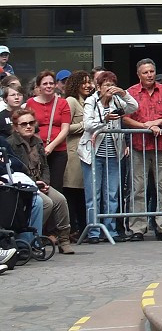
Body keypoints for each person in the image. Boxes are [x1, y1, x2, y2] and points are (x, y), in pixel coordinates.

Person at [123, 58, 162, 240]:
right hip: (139, 146)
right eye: (145, 72)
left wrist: (157, 122)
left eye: (151, 71)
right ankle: (137, 228)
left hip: (161, 146)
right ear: (139, 75)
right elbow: (125, 118)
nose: (149, 75)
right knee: (138, 188)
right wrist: (144, 126)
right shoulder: (131, 92)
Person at [78, 71, 138, 243]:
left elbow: (134, 107)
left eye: (112, 84)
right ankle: (94, 232)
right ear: (99, 87)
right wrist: (104, 119)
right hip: (93, 153)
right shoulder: (91, 101)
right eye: (106, 85)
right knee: (93, 195)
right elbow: (88, 125)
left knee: (111, 193)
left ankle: (110, 230)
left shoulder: (117, 100)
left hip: (113, 153)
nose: (110, 88)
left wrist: (124, 93)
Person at [9, 107, 73, 253]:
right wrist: (34, 183)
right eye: (23, 124)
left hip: (40, 182)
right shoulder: (11, 144)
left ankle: (64, 240)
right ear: (16, 127)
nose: (28, 126)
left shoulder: (37, 142)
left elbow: (45, 166)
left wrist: (45, 182)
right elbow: (16, 170)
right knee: (46, 203)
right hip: (24, 184)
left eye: (31, 123)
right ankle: (31, 238)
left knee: (60, 200)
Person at [62, 70, 95, 239]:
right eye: (84, 82)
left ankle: (84, 229)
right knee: (73, 192)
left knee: (84, 194)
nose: (88, 85)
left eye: (89, 82)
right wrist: (87, 124)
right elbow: (65, 128)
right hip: (74, 152)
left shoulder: (88, 102)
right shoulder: (71, 101)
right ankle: (73, 230)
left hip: (86, 151)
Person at [25, 70, 71, 191]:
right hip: (36, 150)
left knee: (56, 185)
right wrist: (40, 145)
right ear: (39, 86)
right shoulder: (30, 103)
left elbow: (65, 129)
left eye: (51, 83)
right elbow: (29, 125)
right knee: (39, 183)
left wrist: (51, 146)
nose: (49, 86)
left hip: (58, 150)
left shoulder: (63, 103)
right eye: (45, 83)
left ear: (55, 85)